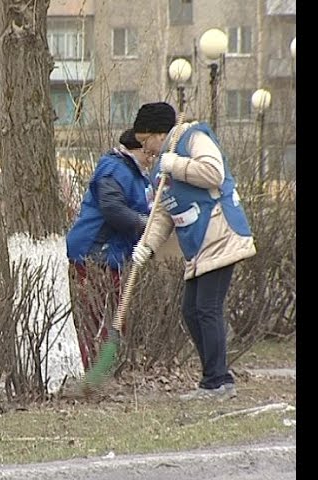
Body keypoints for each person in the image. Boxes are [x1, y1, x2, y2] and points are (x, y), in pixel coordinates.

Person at [130, 102, 256, 401]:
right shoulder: (161, 166)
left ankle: (218, 382)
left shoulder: (192, 139)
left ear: (159, 133)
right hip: (198, 245)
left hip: (220, 233)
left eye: (145, 142)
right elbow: (163, 212)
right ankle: (214, 378)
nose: (145, 151)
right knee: (191, 310)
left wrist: (177, 165)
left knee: (206, 308)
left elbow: (213, 173)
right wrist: (146, 245)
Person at [66, 128, 155, 372]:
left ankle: (103, 370)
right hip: (95, 253)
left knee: (113, 316)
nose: (151, 157)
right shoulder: (114, 169)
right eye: (147, 151)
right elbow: (113, 208)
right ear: (134, 148)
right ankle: (91, 372)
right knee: (95, 317)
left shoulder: (140, 176)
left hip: (114, 256)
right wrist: (145, 225)